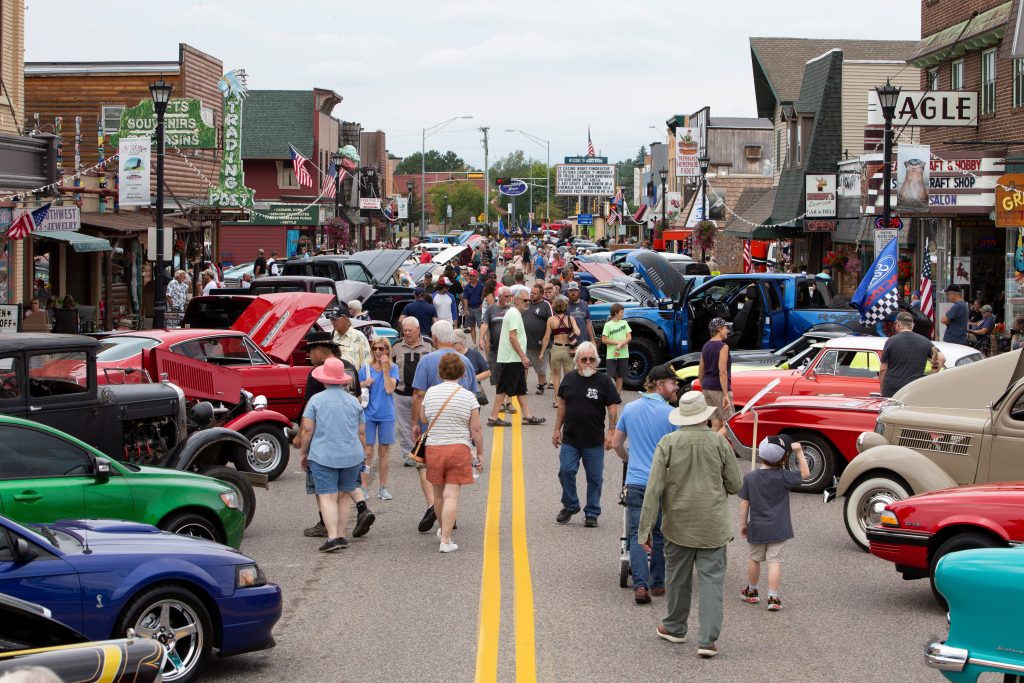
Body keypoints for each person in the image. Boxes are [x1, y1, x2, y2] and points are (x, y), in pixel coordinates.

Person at [638, 391, 743, 659]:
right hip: (713, 526)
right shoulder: (720, 445)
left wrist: (645, 529)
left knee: (678, 579)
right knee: (711, 583)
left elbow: (653, 489)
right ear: (705, 415)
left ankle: (674, 626)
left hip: (678, 525)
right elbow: (735, 484)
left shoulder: (668, 443)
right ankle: (707, 640)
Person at [612, 364, 678, 605]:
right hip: (661, 483)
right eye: (672, 383)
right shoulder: (672, 414)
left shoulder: (630, 409)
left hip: (637, 481)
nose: (676, 387)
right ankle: (658, 582)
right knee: (660, 531)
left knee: (638, 533)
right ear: (659, 385)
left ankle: (640, 585)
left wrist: (632, 459)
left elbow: (617, 444)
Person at [298, 357, 376, 552]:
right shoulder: (353, 402)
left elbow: (307, 430)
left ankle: (332, 537)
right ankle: (341, 534)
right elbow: (361, 432)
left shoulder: (316, 400)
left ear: (324, 379)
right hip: (351, 455)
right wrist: (364, 452)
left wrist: (303, 453)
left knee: (327, 496)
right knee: (343, 496)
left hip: (324, 454)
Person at [411, 320, 480, 533]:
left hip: (434, 430)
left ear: (435, 338)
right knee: (453, 484)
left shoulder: (426, 361)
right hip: (459, 431)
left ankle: (433, 505)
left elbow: (418, 394)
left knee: (426, 469)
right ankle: (450, 518)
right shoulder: (466, 361)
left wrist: (415, 423)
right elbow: (473, 395)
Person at [737, 435, 809, 611]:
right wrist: (799, 452)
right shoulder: (784, 476)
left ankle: (752, 591)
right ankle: (773, 597)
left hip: (757, 527)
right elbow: (805, 474)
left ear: (760, 454)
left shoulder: (750, 477)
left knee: (755, 559)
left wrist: (743, 524)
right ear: (783, 458)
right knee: (774, 561)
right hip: (779, 527)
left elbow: (744, 503)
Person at [422, 352, 485, 553]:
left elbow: (424, 419)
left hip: (434, 448)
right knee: (452, 495)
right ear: (462, 372)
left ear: (440, 371)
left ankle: (442, 530)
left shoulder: (431, 392)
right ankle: (446, 540)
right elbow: (475, 428)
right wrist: (480, 453)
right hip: (458, 447)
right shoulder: (468, 396)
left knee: (438, 495)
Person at [552, 342, 620, 527]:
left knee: (595, 478)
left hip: (594, 440)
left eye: (592, 359)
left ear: (597, 361)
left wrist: (611, 431)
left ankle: (592, 512)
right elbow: (562, 405)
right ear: (577, 361)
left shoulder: (604, 381)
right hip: (571, 438)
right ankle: (571, 504)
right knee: (565, 471)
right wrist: (557, 429)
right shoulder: (569, 379)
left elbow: (612, 407)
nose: (588, 362)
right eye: (584, 359)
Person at [488, 290, 545, 427]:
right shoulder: (514, 313)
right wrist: (523, 356)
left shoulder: (516, 313)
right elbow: (512, 337)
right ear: (517, 300)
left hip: (514, 358)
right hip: (511, 358)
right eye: (525, 300)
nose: (528, 303)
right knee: (503, 388)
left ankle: (527, 416)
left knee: (520, 388)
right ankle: (493, 417)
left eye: (529, 301)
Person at [359, 338, 399, 500]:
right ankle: (363, 487)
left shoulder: (393, 368)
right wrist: (363, 383)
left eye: (381, 349)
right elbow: (356, 388)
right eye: (375, 348)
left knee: (384, 452)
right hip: (368, 413)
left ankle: (383, 487)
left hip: (386, 414)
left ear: (387, 351)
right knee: (367, 452)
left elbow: (390, 389)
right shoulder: (365, 368)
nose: (377, 351)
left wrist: (385, 369)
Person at [880, 311, 946, 397]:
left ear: (898, 324)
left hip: (892, 389)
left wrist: (882, 388)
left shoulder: (891, 341)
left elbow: (883, 369)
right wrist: (930, 376)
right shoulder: (924, 341)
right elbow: (941, 358)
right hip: (914, 388)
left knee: (892, 410)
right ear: (912, 325)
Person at [539, 295, 579, 409]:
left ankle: (557, 400)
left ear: (554, 308)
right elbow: (578, 332)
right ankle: (568, 399)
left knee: (556, 376)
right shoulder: (570, 318)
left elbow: (546, 337)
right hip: (568, 350)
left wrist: (542, 353)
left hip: (556, 349)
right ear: (566, 307)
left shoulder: (551, 320)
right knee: (569, 376)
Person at [481, 287, 515, 413]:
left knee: (510, 375)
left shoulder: (513, 309)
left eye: (510, 296)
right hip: (495, 349)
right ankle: (500, 402)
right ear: (499, 296)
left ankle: (509, 402)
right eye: (507, 296)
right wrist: (481, 338)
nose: (509, 299)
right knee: (496, 376)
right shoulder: (491, 309)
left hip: (511, 349)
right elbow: (484, 324)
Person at [698, 318, 733, 435]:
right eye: (725, 328)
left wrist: (705, 387)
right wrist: (726, 394)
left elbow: (700, 371)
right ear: (719, 329)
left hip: (707, 388)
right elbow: (722, 371)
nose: (727, 330)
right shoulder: (723, 346)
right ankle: (711, 446)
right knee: (729, 425)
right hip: (719, 389)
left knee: (715, 425)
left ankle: (712, 450)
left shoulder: (705, 346)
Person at [522, 283, 552, 396]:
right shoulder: (526, 304)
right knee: (524, 366)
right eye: (531, 293)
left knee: (540, 367)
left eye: (534, 293)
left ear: (541, 294)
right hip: (525, 343)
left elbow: (552, 322)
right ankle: (523, 386)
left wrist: (547, 340)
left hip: (539, 343)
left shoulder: (546, 305)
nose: (532, 295)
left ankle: (540, 385)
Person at [600, 303, 632, 395]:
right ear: (615, 313)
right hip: (611, 354)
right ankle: (608, 394)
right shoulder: (608, 325)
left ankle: (617, 395)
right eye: (621, 312)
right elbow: (604, 340)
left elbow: (629, 337)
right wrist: (618, 343)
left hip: (624, 354)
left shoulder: (624, 323)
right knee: (609, 376)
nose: (623, 314)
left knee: (620, 376)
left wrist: (622, 343)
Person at [461, 269, 484, 345]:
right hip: (470, 308)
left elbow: (484, 296)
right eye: (471, 276)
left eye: (473, 276)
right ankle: (474, 343)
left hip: (478, 308)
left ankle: (482, 341)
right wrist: (466, 309)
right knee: (472, 327)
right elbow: (465, 298)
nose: (472, 277)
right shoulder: (467, 286)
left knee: (481, 326)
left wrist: (482, 305)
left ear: (477, 276)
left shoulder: (481, 285)